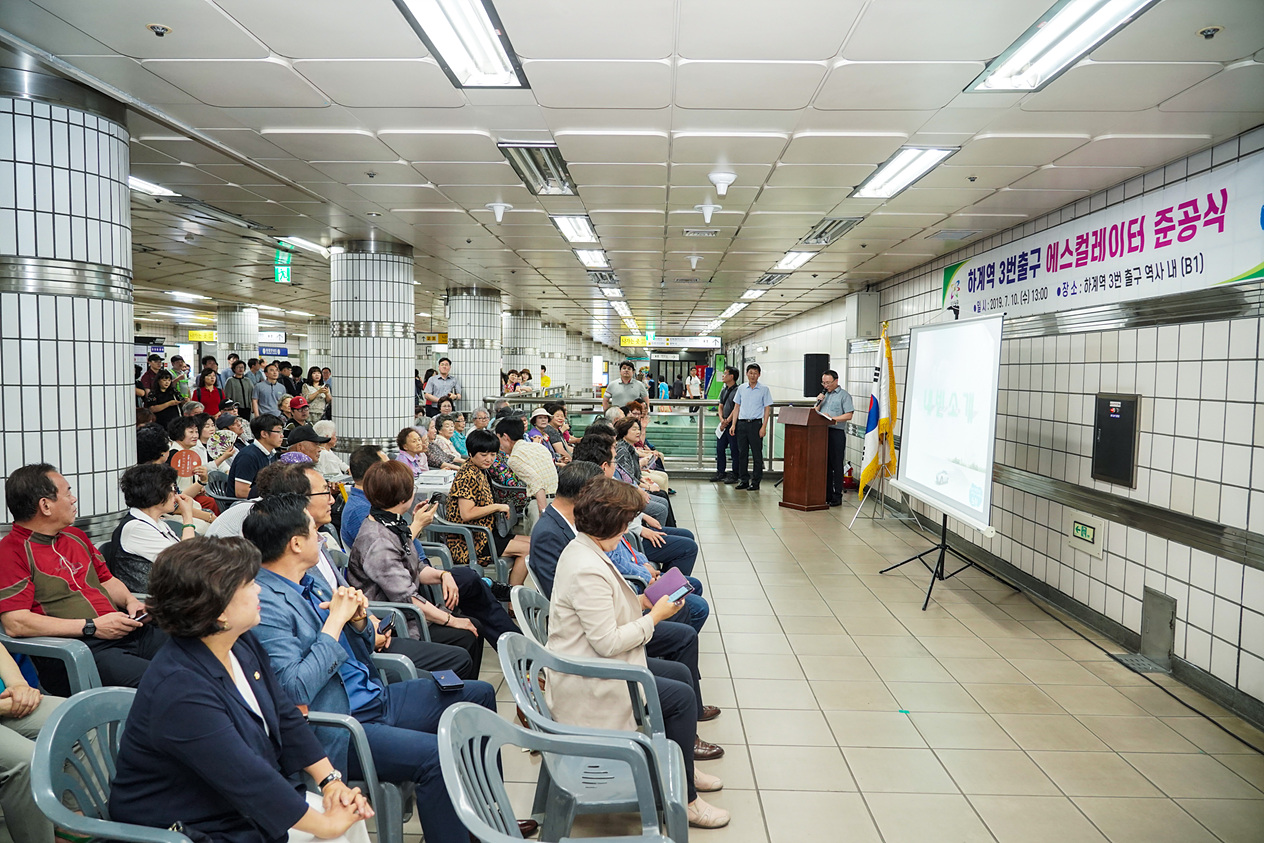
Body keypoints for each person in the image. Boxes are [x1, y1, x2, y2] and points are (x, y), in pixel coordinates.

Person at [243, 495, 519, 843]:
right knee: (438, 756)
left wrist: (360, 624)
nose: (322, 538)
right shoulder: (265, 604)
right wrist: (336, 622)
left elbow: (362, 651)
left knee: (478, 695)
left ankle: (487, 818)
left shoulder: (308, 583)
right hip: (342, 724)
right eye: (314, 531)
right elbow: (296, 688)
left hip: (374, 696)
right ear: (295, 544)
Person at [108, 537, 374, 843]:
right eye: (249, 584)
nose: (259, 589)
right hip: (189, 825)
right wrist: (326, 826)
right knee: (335, 832)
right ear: (219, 611)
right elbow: (247, 779)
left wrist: (330, 782)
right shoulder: (181, 689)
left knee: (348, 819)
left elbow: (284, 714)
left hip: (235, 807)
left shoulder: (239, 642)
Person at [546, 476, 728, 829]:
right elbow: (608, 643)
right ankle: (686, 798)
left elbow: (607, 612)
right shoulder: (586, 568)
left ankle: (682, 767)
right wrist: (655, 615)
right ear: (611, 523)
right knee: (680, 697)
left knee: (680, 674)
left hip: (595, 662)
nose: (628, 528)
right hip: (590, 678)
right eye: (625, 522)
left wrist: (644, 601)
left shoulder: (587, 548)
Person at [0, 464, 166, 696]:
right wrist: (92, 627)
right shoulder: (10, 552)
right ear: (45, 506)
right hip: (81, 649)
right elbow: (15, 623)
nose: (74, 499)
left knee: (202, 651)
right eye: (67, 493)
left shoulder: (75, 536)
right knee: (168, 682)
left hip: (126, 631)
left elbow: (107, 580)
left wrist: (131, 602)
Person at [348, 460, 518, 652]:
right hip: (400, 617)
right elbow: (407, 598)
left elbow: (414, 566)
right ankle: (515, 650)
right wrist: (451, 620)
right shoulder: (379, 540)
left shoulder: (388, 522)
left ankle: (516, 647)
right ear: (403, 498)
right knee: (470, 630)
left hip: (410, 596)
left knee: (468, 580)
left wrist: (443, 575)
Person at [443, 430, 530, 586]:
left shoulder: (479, 470)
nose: (489, 459)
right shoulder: (467, 476)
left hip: (486, 533)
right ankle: (510, 594)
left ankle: (513, 590)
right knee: (528, 550)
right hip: (472, 541)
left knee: (534, 543)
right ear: (470, 453)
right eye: (484, 455)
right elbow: (467, 514)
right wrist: (496, 507)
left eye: (493, 454)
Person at [0, 641, 64, 843]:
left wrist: (18, 685)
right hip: (3, 705)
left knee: (77, 717)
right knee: (26, 758)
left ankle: (71, 830)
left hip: (6, 700)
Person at [109, 462, 197, 593]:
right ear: (156, 492)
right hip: (154, 600)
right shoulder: (136, 528)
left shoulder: (155, 522)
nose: (176, 494)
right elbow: (186, 561)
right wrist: (188, 517)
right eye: (173, 488)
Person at [495, 416, 557, 517]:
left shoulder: (515, 458)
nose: (499, 444)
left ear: (505, 437)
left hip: (540, 504)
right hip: (557, 502)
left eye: (499, 439)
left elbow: (536, 482)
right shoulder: (539, 447)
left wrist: (543, 514)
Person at [730, 363, 774, 492]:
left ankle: (756, 482)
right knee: (742, 453)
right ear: (746, 374)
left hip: (756, 424)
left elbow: (767, 409)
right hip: (742, 424)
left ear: (759, 375)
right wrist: (733, 424)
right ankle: (743, 480)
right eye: (750, 373)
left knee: (756, 454)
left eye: (755, 373)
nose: (753, 375)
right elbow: (736, 407)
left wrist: (764, 426)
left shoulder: (764, 389)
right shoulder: (741, 388)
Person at [816, 369, 856, 507]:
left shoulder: (844, 396)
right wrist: (819, 401)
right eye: (823, 383)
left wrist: (832, 419)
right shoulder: (824, 395)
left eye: (828, 382)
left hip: (836, 433)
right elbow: (815, 412)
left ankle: (837, 495)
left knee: (836, 464)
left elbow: (849, 415)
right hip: (822, 432)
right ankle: (826, 494)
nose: (825, 385)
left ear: (836, 381)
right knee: (825, 464)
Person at [340, 445, 388, 549]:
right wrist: (417, 524)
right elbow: (382, 552)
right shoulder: (360, 511)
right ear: (373, 473)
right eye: (388, 468)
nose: (393, 473)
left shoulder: (371, 501)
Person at [228, 414, 284, 498]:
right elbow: (241, 492)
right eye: (278, 431)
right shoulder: (248, 456)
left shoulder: (272, 454)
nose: (282, 435)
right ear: (264, 434)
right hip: (244, 503)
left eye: (282, 432)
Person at [711, 366, 741, 483]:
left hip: (733, 424)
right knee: (720, 448)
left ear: (731, 376)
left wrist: (728, 420)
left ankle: (735, 474)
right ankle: (720, 472)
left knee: (734, 450)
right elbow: (720, 406)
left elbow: (736, 407)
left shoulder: (738, 390)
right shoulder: (724, 390)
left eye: (725, 374)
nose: (723, 376)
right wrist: (721, 419)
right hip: (723, 424)